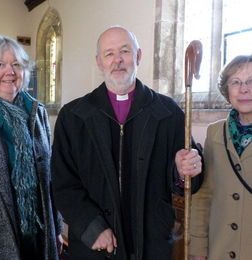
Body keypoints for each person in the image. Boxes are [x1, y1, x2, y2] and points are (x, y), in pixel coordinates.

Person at [52, 26, 203, 260]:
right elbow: (62, 183)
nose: (118, 60)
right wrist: (91, 227)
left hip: (152, 242)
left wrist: (184, 170)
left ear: (139, 56)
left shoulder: (168, 112)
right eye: (109, 53)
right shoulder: (73, 117)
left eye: (125, 51)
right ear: (99, 62)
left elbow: (188, 180)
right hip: (96, 245)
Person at [0, 35, 63, 259]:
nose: (10, 71)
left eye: (16, 65)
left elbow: (50, 175)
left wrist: (58, 228)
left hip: (39, 230)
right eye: (0, 64)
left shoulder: (37, 111)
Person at [189, 55, 252, 260]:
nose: (244, 89)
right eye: (236, 82)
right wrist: (198, 248)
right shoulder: (215, 133)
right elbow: (204, 194)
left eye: (251, 81)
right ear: (227, 90)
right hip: (220, 247)